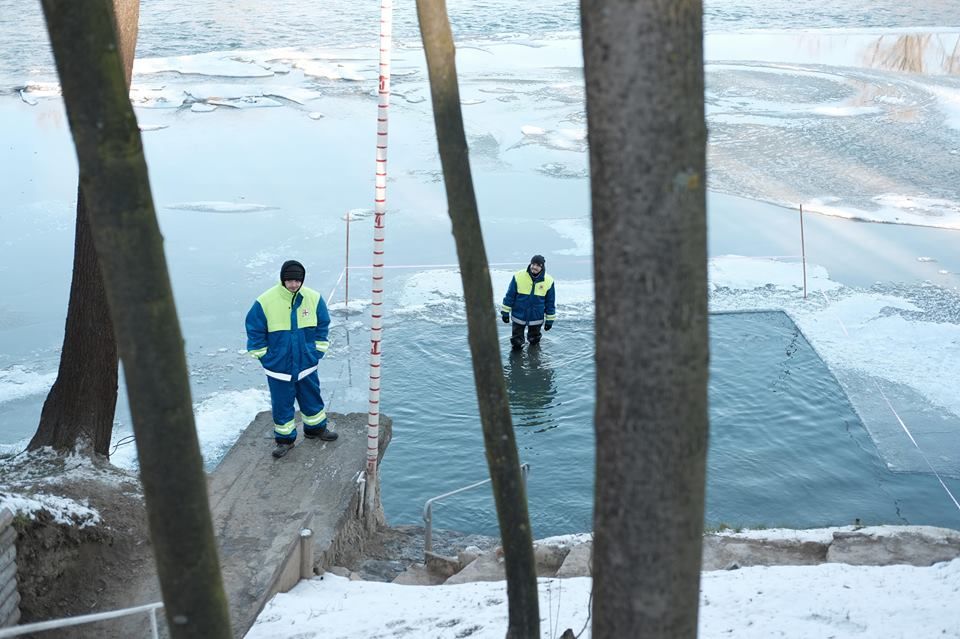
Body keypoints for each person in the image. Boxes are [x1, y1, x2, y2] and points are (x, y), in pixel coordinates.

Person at [246, 260, 338, 458]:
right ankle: (285, 440)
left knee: (311, 397)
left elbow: (323, 325)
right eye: (289, 281)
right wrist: (265, 357)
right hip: (278, 367)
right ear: (282, 279)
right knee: (282, 403)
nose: (294, 284)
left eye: (297, 280)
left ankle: (315, 429)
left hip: (306, 363)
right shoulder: (265, 301)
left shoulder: (314, 298)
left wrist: (317, 352)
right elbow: (254, 330)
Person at [501, 254, 556, 350]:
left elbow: (550, 303)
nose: (534, 267)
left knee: (534, 342)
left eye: (538, 265)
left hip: (536, 317)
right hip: (518, 315)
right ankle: (516, 361)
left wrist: (549, 320)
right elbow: (510, 296)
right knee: (516, 343)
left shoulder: (549, 281)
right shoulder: (518, 276)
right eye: (533, 264)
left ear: (542, 267)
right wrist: (505, 312)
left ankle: (534, 358)